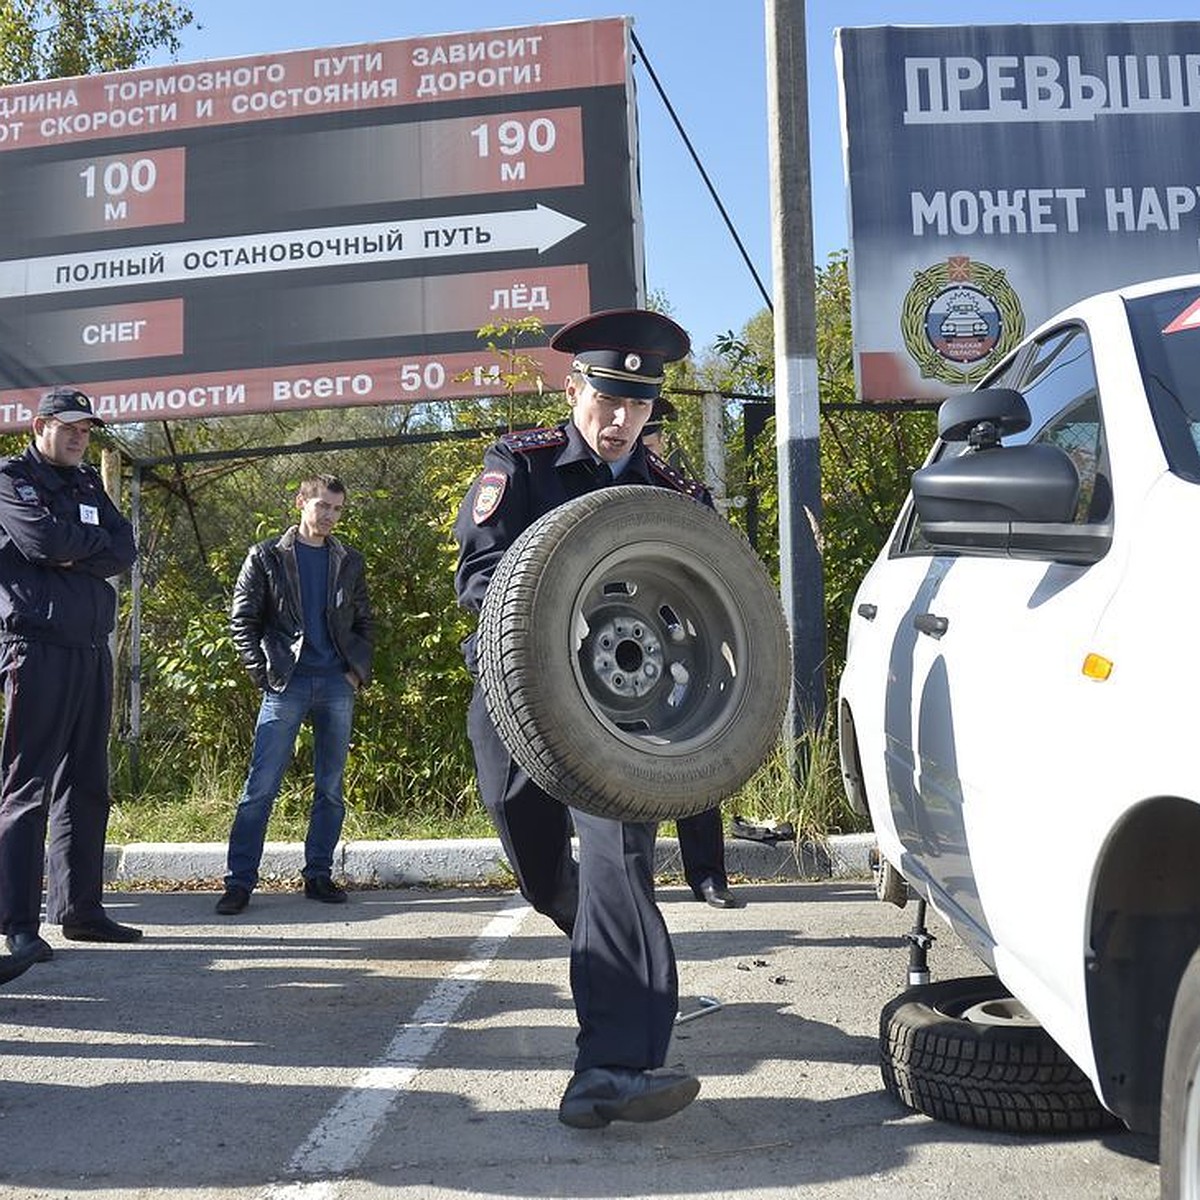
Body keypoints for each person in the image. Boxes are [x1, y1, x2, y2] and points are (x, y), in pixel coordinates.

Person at [455, 308, 712, 1130]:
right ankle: (599, 943)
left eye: (638, 404)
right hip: (518, 701)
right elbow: (479, 579)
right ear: (574, 389)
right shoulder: (520, 466)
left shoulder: (671, 495)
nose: (620, 419)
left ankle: (615, 1062)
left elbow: (710, 604)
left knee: (618, 864)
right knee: (540, 871)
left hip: (620, 720)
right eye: (607, 397)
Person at [0, 387, 141, 968]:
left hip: (89, 648)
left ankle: (80, 910)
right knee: (27, 786)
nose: (81, 437)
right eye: (70, 427)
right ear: (40, 426)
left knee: (86, 783)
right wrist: (85, 549)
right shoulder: (12, 479)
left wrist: (72, 552)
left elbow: (123, 548)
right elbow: (40, 541)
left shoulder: (87, 484)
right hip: (35, 646)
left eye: (87, 429)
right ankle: (17, 925)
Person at [216, 474, 374, 916]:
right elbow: (242, 620)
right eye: (322, 506)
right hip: (286, 683)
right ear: (300, 503)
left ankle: (318, 875)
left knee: (330, 787)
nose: (329, 516)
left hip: (336, 684)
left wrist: (356, 672)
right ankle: (239, 882)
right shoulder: (266, 556)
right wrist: (263, 673)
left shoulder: (348, 560)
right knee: (260, 787)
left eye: (337, 509)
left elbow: (364, 621)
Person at [640, 400, 739, 910]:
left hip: (681, 647)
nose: (649, 443)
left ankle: (707, 876)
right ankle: (632, 884)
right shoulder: (593, 491)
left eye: (652, 435)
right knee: (628, 767)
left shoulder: (681, 493)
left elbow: (719, 565)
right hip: (618, 651)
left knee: (694, 764)